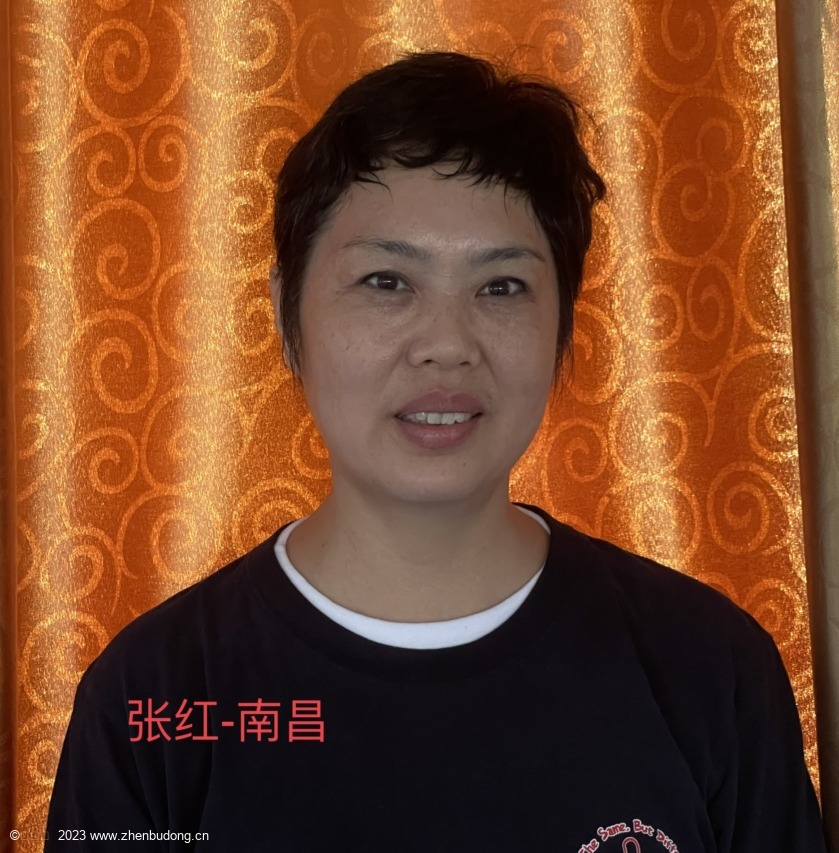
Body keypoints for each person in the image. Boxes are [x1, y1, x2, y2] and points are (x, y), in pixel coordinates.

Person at [45, 51, 826, 852]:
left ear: (564, 323)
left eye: (501, 287)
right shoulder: (155, 701)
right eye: (386, 281)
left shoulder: (705, 668)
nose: (447, 345)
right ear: (286, 314)